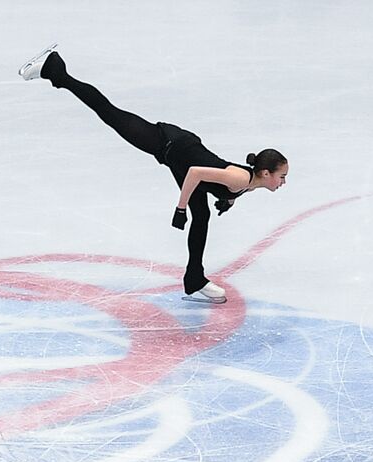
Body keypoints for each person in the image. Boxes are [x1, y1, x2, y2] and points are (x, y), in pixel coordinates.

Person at [19, 45, 288, 304]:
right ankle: (56, 70)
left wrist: (228, 201)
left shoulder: (251, 182)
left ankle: (194, 277)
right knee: (109, 113)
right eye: (281, 177)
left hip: (182, 153)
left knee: (203, 215)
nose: (283, 182)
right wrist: (181, 209)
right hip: (167, 143)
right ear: (266, 173)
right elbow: (195, 174)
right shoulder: (240, 179)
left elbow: (224, 183)